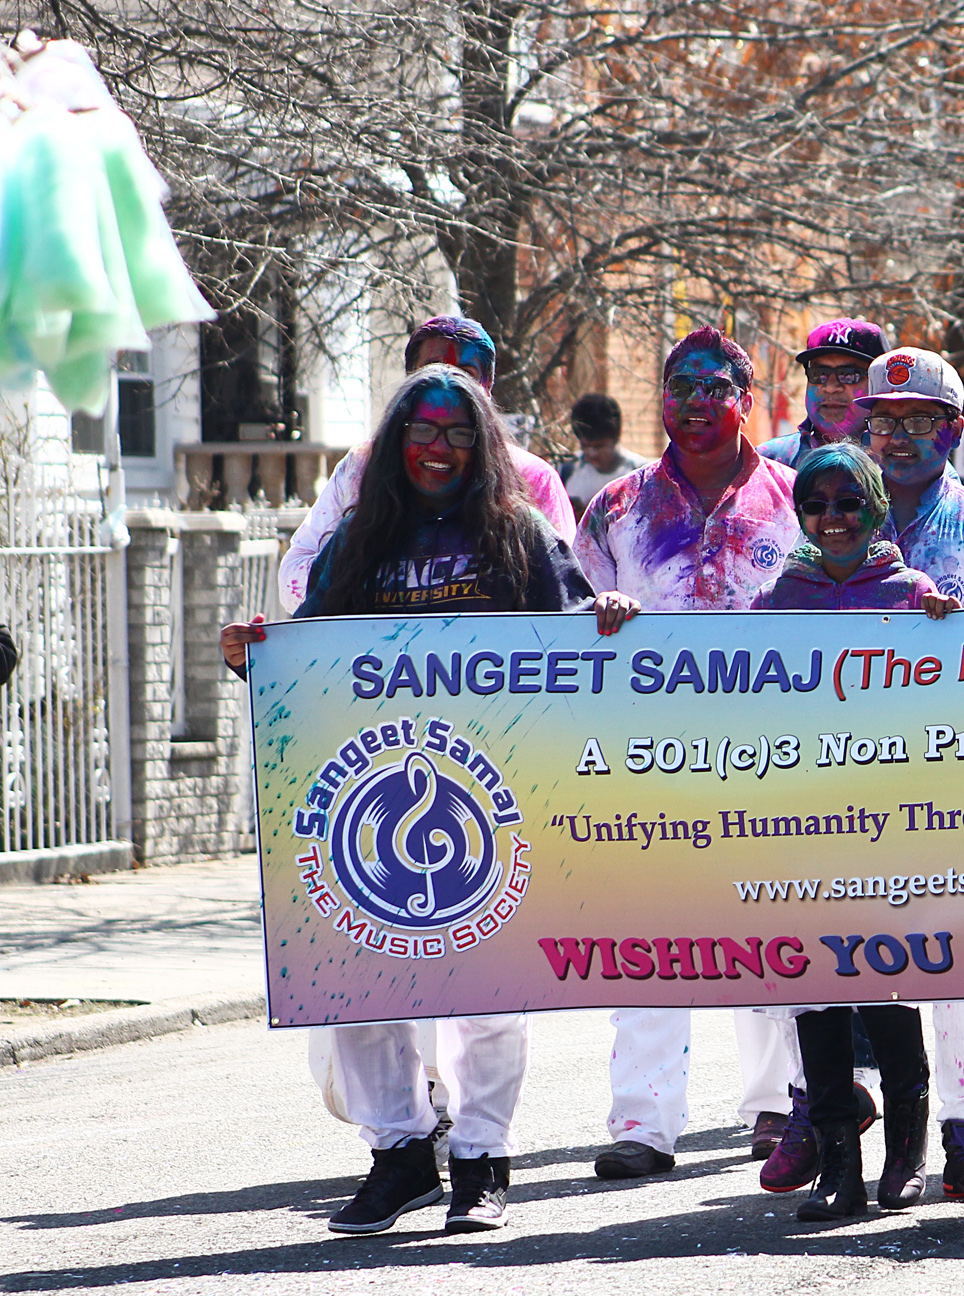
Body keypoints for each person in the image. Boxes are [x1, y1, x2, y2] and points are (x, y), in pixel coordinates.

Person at [220, 366, 628, 1235]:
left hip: (499, 809)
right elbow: (308, 658)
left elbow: (583, 650)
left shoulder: (521, 538)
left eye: (457, 433)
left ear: (482, 447)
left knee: (488, 997)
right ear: (395, 443)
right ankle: (398, 1155)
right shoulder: (359, 542)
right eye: (422, 431)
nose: (437, 448)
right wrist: (253, 653)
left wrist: (610, 619)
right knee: (364, 986)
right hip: (371, 801)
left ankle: (481, 1163)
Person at [573, 326, 808, 1177]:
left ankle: (781, 1109)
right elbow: (570, 625)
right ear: (660, 401)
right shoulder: (616, 509)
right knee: (649, 943)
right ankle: (642, 1124)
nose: (700, 403)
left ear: (748, 400)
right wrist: (598, 613)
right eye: (683, 387)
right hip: (652, 764)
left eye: (719, 387)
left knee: (774, 936)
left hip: (774, 761)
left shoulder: (796, 500)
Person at [749, 442, 954, 1220]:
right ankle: (839, 1161)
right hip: (805, 831)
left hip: (891, 832)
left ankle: (907, 1150)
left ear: (876, 509)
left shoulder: (913, 594)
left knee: (889, 989)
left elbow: (953, 703)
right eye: (817, 504)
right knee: (818, 997)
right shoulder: (781, 598)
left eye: (850, 504)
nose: (832, 519)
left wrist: (949, 634)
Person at [849, 343, 964, 1202]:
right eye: (881, 421)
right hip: (842, 784)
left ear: (954, 431)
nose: (896, 438)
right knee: (851, 955)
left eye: (918, 421)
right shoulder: (833, 512)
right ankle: (852, 1129)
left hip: (957, 778)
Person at [277, 316, 576, 612]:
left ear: (487, 386)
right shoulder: (360, 470)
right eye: (433, 370)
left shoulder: (534, 481)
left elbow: (565, 608)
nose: (449, 385)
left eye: (466, 373)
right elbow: (300, 593)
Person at [758, 319, 888, 470]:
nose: (831, 387)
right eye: (820, 374)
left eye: (849, 374)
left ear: (880, 383)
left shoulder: (900, 461)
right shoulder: (769, 462)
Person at [559, 392, 646, 518]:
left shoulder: (641, 474)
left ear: (615, 439)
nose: (592, 454)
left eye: (599, 446)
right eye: (585, 446)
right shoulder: (567, 471)